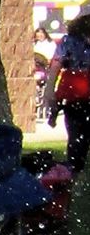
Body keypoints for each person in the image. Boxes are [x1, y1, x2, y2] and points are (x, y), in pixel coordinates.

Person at [39, 12, 90, 172]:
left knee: (75, 133)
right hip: (80, 92)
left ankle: (74, 167)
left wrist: (49, 90)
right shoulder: (71, 41)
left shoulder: (68, 41)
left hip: (73, 93)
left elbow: (56, 65)